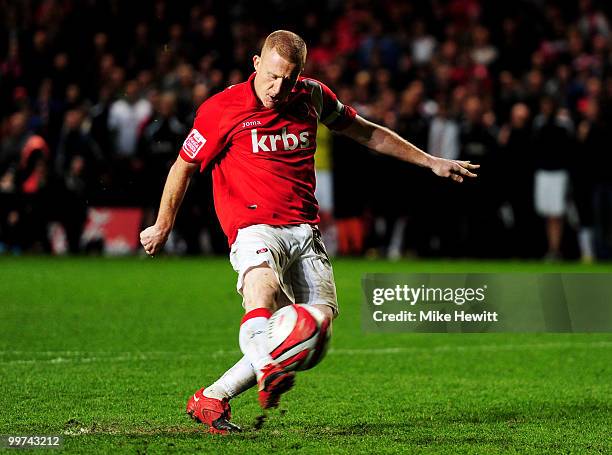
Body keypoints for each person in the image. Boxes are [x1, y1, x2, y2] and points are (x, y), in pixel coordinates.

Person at [139, 30, 478, 434]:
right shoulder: (221, 108)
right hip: (254, 227)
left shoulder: (313, 96)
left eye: (289, 79)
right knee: (260, 292)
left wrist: (430, 161)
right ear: (256, 64)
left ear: (300, 75)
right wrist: (163, 224)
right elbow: (184, 166)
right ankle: (268, 370)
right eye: (272, 76)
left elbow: (367, 132)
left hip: (304, 231)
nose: (278, 88)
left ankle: (212, 398)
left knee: (314, 330)